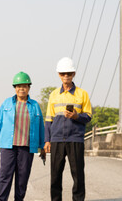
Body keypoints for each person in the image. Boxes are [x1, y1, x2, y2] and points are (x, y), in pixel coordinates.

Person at [0, 72, 45, 201]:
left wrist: (42, 146)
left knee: (22, 179)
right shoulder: (7, 104)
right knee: (5, 177)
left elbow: (41, 127)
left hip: (26, 147)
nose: (21, 89)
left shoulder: (35, 106)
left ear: (29, 88)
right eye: (19, 86)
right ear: (15, 88)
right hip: (8, 146)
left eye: (24, 86)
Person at [43, 57, 92, 201]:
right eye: (63, 74)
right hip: (57, 139)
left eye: (69, 73)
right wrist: (47, 140)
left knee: (78, 175)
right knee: (55, 175)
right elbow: (48, 120)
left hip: (75, 139)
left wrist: (77, 116)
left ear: (74, 74)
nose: (66, 76)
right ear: (59, 75)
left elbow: (88, 116)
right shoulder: (53, 95)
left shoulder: (82, 94)